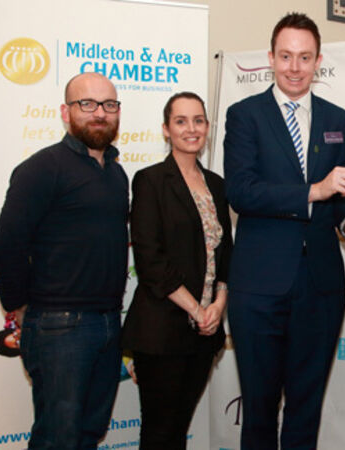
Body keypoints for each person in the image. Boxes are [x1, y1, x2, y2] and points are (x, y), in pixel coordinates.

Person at [223, 12, 345, 450]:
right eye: (286, 56)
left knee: (306, 412)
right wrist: (314, 190)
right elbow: (242, 191)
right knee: (259, 412)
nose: (294, 67)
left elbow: (338, 197)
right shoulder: (244, 115)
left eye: (305, 57)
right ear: (270, 58)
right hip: (259, 286)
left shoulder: (337, 118)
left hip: (320, 286)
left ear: (318, 61)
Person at [0, 72, 128, 449]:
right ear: (66, 113)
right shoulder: (42, 168)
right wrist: (19, 306)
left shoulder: (116, 174)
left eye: (109, 105)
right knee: (58, 439)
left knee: (89, 433)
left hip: (108, 323)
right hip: (59, 327)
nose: (100, 113)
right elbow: (5, 245)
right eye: (87, 104)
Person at [121, 92, 231, 449]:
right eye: (181, 121)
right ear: (166, 129)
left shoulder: (216, 184)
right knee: (159, 434)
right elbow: (150, 261)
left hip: (204, 332)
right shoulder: (150, 180)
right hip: (162, 329)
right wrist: (197, 310)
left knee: (179, 429)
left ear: (207, 127)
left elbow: (225, 254)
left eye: (198, 120)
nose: (191, 129)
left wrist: (218, 305)